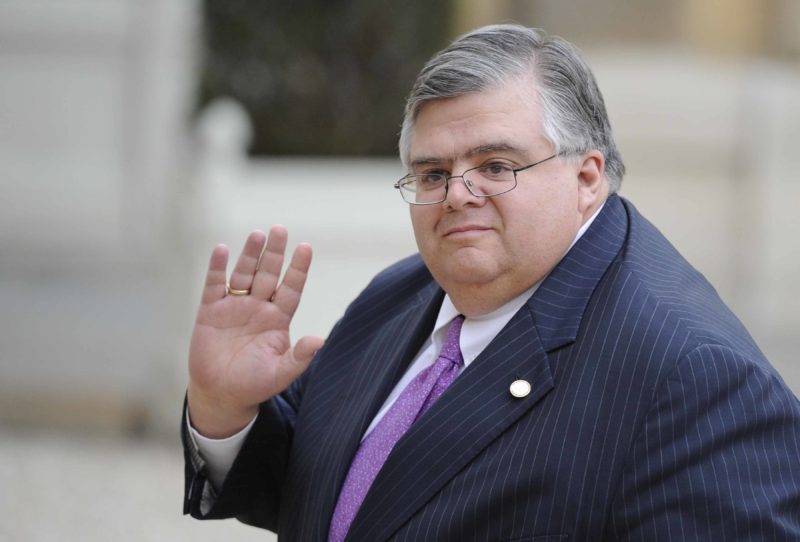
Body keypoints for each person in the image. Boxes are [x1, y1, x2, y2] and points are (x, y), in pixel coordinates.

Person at [182, 24, 800, 540]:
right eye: (431, 173)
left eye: (495, 165)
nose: (457, 195)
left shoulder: (696, 378)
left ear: (587, 178)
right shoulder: (399, 295)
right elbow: (336, 503)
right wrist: (224, 409)